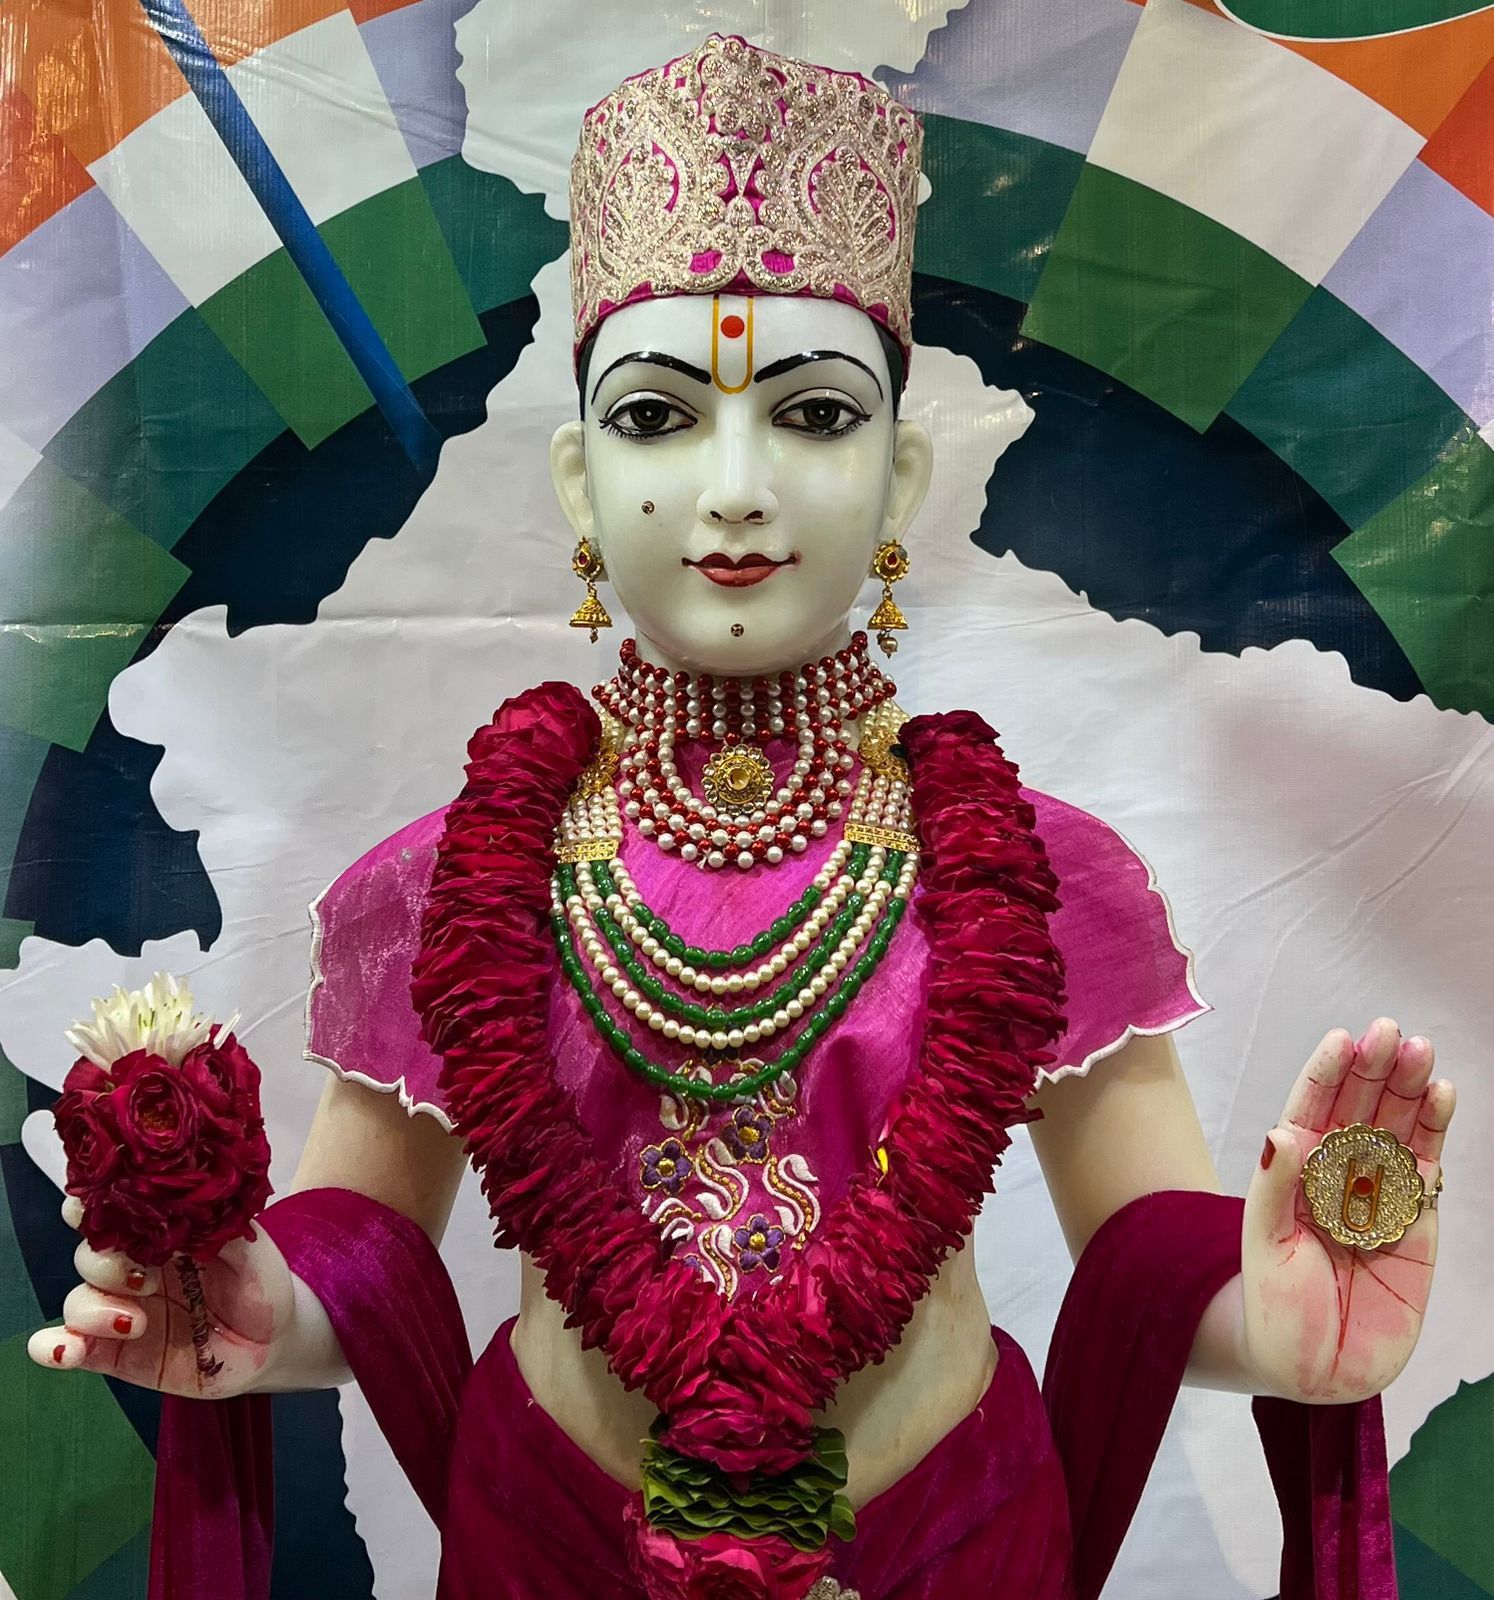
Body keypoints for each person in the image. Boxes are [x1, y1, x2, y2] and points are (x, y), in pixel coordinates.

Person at [29, 34, 1454, 1600]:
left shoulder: (1045, 875)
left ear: (903, 474)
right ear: (575, 486)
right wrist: (243, 1312)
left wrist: (1283, 1331)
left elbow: (1148, 1244)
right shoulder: (443, 886)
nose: (734, 486)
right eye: (654, 419)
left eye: (815, 417)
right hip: (553, 1545)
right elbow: (360, 1252)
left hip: (951, 1543)